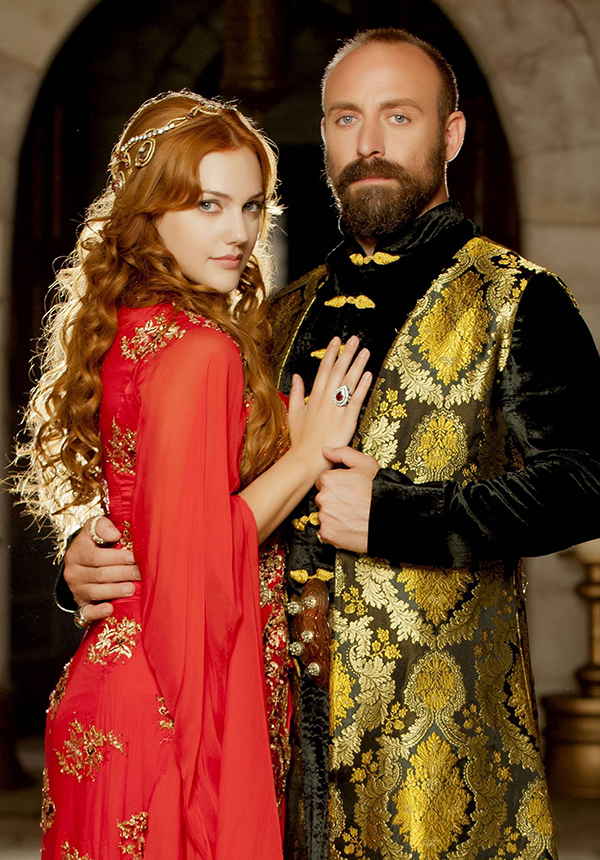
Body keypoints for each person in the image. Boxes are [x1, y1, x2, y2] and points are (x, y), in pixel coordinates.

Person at [59, 30, 600, 860]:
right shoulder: (273, 316)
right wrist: (90, 554)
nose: (370, 143)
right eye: (347, 118)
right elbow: (185, 495)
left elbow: (587, 481)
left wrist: (400, 517)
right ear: (323, 135)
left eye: (398, 117)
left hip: (434, 757)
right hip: (270, 750)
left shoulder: (518, 300)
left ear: (451, 135)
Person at [17, 90, 372, 859]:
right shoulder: (202, 351)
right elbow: (198, 565)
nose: (238, 232)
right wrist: (308, 454)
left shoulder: (133, 328)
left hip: (110, 690)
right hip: (163, 705)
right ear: (150, 212)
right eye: (208, 205)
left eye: (251, 206)